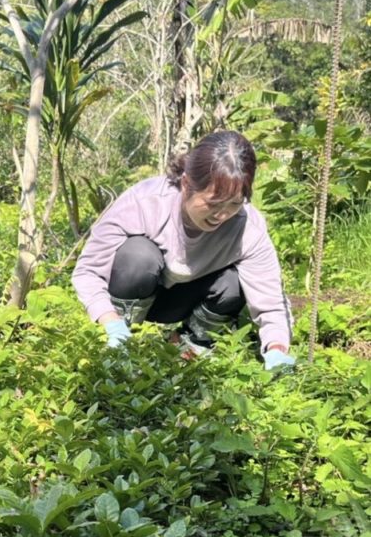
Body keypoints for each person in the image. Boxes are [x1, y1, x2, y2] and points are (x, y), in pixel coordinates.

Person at [71, 130, 295, 370]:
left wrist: (276, 348)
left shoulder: (247, 227)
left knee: (235, 283)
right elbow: (88, 273)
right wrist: (110, 322)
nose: (222, 215)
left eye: (234, 204)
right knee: (137, 256)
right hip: (136, 289)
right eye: (213, 203)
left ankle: (189, 344)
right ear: (187, 183)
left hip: (187, 299)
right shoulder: (145, 202)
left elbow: (272, 302)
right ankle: (123, 341)